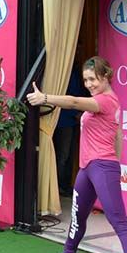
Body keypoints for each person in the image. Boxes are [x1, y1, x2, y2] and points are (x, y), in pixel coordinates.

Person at [28, 56, 127, 253]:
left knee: (118, 222)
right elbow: (119, 134)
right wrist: (118, 160)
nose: (89, 84)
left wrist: (45, 98)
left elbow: (72, 102)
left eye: (93, 79)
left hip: (103, 167)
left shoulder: (105, 100)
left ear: (105, 77)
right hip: (87, 168)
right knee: (78, 215)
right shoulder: (104, 101)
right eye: (85, 80)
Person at [53, 66, 83, 197]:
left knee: (69, 155)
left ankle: (65, 185)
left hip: (71, 119)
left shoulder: (74, 71)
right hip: (63, 120)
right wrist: (76, 113)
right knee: (63, 155)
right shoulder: (61, 71)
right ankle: (59, 186)